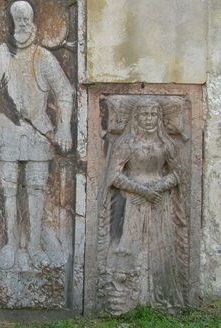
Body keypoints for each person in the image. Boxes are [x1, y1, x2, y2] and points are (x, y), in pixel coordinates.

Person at [0, 0, 75, 269]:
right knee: (8, 189)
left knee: (37, 189)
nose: (23, 25)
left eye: (27, 20)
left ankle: (36, 246)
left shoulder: (44, 57)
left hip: (39, 131)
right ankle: (11, 245)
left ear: (34, 24)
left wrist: (63, 128)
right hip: (6, 130)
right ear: (12, 23)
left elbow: (64, 91)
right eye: (19, 20)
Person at [97, 98, 188, 314]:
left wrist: (159, 185)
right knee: (129, 247)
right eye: (144, 114)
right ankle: (128, 299)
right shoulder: (126, 144)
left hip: (159, 202)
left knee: (160, 247)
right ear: (136, 117)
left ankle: (161, 298)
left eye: (153, 115)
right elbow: (114, 176)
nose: (149, 119)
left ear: (159, 118)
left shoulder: (166, 144)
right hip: (132, 201)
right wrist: (141, 190)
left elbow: (178, 174)